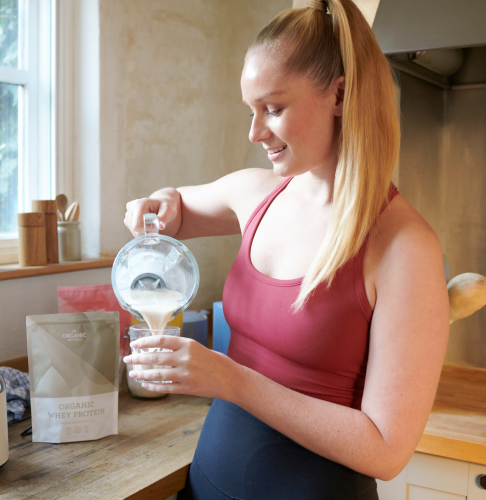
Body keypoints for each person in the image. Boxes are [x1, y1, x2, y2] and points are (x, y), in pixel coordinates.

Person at [121, 0, 449, 498]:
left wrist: (229, 379)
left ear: (340, 94)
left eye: (273, 109)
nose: (255, 133)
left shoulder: (405, 247)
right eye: (251, 111)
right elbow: (178, 210)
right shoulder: (257, 193)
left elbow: (386, 450)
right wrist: (160, 203)